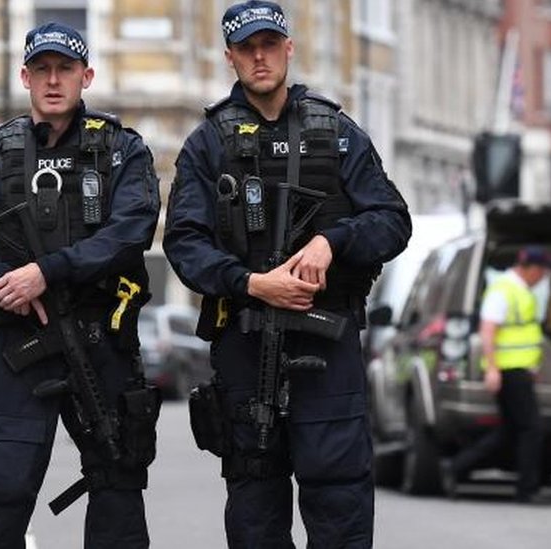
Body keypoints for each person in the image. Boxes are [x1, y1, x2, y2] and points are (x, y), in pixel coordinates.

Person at [162, 2, 411, 546]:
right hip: (246, 345)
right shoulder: (208, 144)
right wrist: (251, 283)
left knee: (340, 501)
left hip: (327, 346)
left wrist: (331, 241)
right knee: (255, 513)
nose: (259, 56)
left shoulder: (337, 132)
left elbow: (393, 221)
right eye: (247, 48)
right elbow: (183, 244)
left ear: (288, 48)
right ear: (230, 57)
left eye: (269, 45)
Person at [0, 22, 161, 548]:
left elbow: (130, 234)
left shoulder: (122, 150)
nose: (53, 80)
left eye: (65, 69)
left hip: (102, 339)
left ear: (87, 76)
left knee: (118, 486)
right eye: (42, 70)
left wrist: (47, 272)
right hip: (20, 343)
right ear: (25, 77)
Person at [440, 246, 551, 504]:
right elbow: (488, 330)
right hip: (508, 371)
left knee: (511, 431)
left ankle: (456, 467)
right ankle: (527, 490)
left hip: (517, 370)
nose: (543, 278)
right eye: (543, 273)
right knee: (531, 429)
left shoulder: (519, 290)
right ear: (533, 269)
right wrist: (492, 368)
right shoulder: (504, 290)